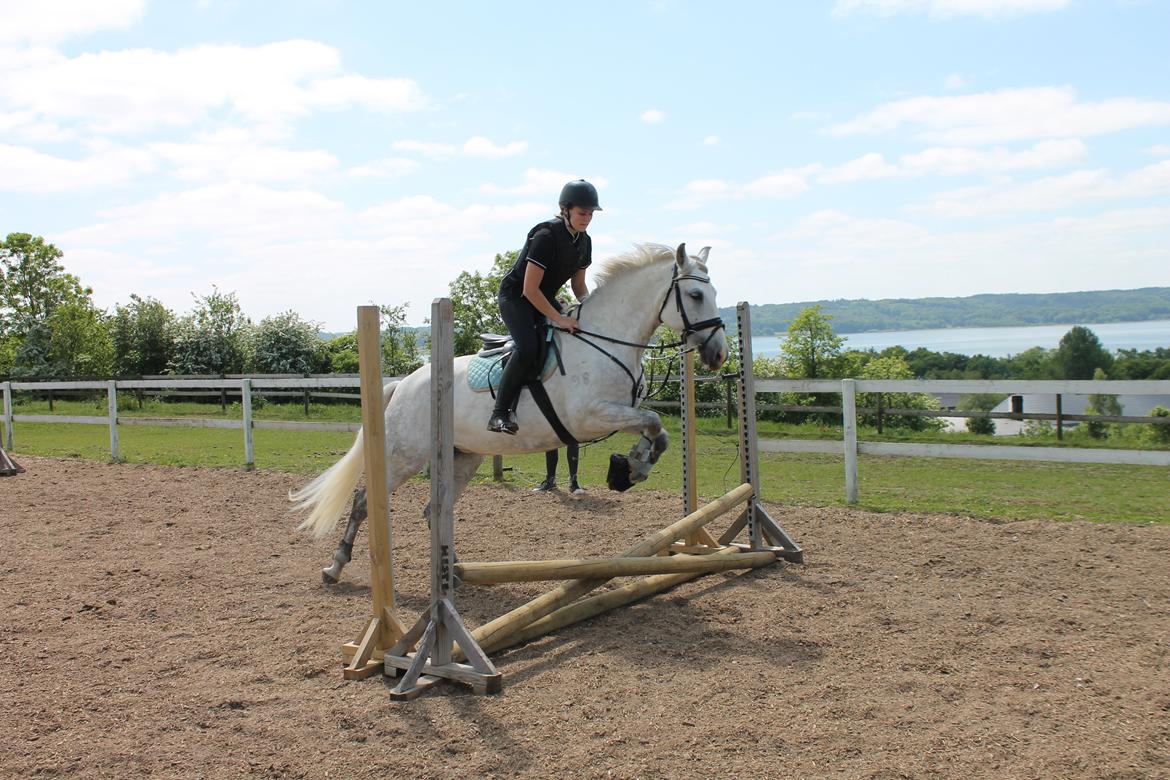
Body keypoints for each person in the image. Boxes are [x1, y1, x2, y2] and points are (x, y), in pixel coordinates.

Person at [487, 179, 600, 434]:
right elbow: (529, 290)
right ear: (565, 210)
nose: (587, 218)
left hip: (543, 296)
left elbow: (579, 285)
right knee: (528, 347)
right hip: (516, 296)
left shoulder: (585, 242)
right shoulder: (546, 236)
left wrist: (590, 308)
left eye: (591, 214)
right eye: (582, 213)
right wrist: (559, 319)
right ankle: (499, 413)